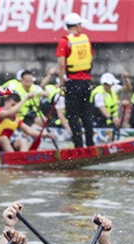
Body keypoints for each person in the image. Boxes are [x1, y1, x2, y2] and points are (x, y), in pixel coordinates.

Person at [56, 12, 95, 148]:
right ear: (77, 25)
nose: (81, 27)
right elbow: (90, 58)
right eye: (80, 24)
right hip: (86, 82)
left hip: (73, 82)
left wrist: (61, 83)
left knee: (73, 115)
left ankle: (78, 145)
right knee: (86, 114)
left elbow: (61, 64)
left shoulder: (64, 41)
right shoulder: (85, 39)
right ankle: (90, 144)